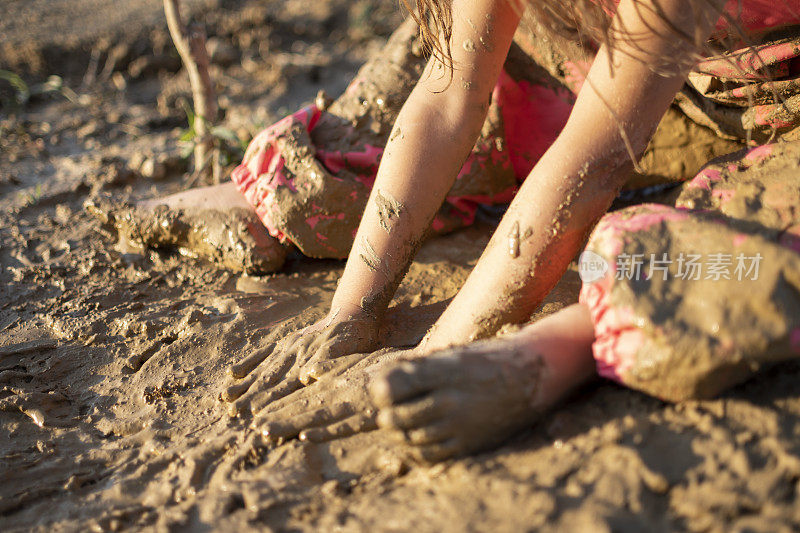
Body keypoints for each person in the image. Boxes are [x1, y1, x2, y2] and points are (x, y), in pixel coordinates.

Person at [97, 0, 800, 461]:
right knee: (447, 46)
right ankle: (301, 188)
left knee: (736, 251)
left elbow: (596, 159)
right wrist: (355, 308)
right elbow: (447, 90)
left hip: (775, 91)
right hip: (614, 62)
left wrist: (441, 347)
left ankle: (562, 348)